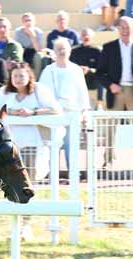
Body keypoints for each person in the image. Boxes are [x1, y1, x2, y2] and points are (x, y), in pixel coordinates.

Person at [0, 63, 61, 240]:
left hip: (33, 145)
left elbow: (55, 110)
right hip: (9, 148)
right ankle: (15, 225)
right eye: (15, 75)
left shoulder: (38, 90)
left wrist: (33, 112)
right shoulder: (5, 92)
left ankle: (26, 225)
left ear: (29, 76)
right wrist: (10, 112)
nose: (18, 79)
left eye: (21, 75)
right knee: (11, 185)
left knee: (27, 187)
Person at [39, 37, 90, 172]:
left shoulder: (76, 69)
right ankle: (53, 174)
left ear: (69, 51)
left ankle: (73, 173)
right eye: (59, 49)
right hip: (53, 114)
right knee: (54, 144)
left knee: (71, 144)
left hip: (72, 113)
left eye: (64, 49)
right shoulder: (48, 70)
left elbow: (82, 92)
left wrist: (84, 110)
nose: (62, 51)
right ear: (54, 51)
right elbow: (42, 92)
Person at [97, 16, 133, 167]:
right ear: (118, 29)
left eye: (128, 27)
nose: (125, 30)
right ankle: (109, 160)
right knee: (111, 127)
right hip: (116, 91)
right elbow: (100, 73)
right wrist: (110, 85)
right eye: (122, 27)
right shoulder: (109, 47)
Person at [70, 27, 104, 109]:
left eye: (88, 35)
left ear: (91, 37)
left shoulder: (97, 51)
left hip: (92, 80)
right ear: (80, 37)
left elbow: (101, 69)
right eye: (83, 35)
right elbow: (70, 66)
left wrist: (88, 70)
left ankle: (99, 103)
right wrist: (79, 69)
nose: (86, 37)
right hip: (77, 79)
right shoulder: (74, 51)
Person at [14, 12, 46, 76]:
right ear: (22, 23)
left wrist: (32, 35)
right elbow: (18, 47)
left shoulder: (38, 32)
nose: (28, 22)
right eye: (25, 21)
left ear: (34, 22)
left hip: (34, 51)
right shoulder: (18, 32)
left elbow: (39, 50)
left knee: (39, 55)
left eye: (29, 20)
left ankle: (36, 77)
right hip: (23, 51)